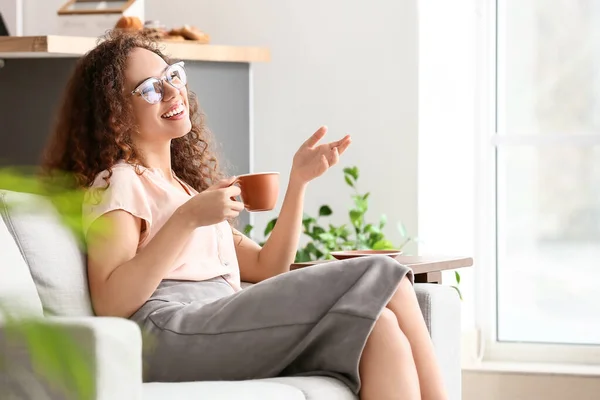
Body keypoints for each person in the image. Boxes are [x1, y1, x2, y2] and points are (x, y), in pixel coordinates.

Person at [42, 31, 448, 400]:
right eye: (150, 89)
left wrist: (299, 182)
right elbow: (112, 302)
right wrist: (187, 219)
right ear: (117, 114)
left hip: (219, 318)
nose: (171, 92)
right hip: (168, 332)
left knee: (381, 332)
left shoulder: (189, 192)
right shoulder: (118, 182)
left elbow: (269, 267)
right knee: (382, 274)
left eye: (173, 76)